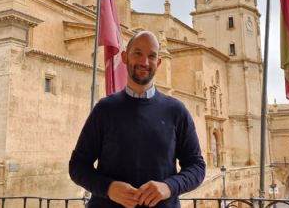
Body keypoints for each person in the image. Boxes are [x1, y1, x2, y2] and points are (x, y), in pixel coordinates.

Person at [69, 30, 206, 208]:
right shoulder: (104, 109)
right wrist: (109, 188)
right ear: (125, 57)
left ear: (158, 62)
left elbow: (197, 166)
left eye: (151, 56)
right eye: (138, 53)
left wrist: (169, 187)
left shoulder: (176, 111)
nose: (144, 62)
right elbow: (78, 166)